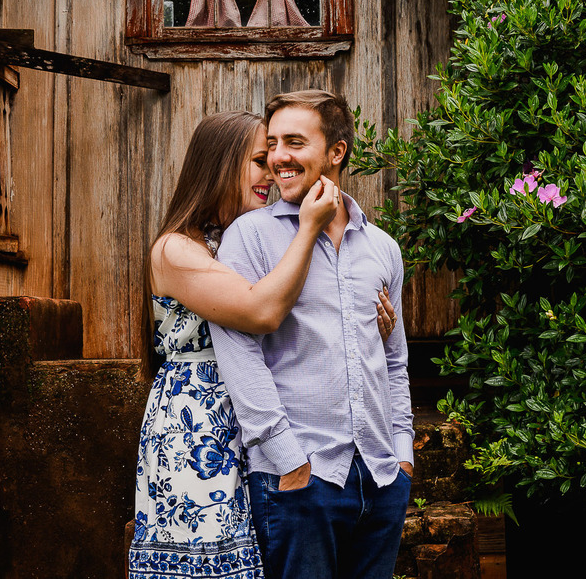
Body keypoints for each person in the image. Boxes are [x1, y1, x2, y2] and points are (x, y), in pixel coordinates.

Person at [127, 110, 398, 579]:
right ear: (220, 165)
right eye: (258, 160)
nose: (270, 174)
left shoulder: (241, 240)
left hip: (251, 418)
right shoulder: (176, 249)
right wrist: (310, 226)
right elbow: (263, 311)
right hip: (200, 422)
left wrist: (364, 326)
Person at [211, 90, 414, 579]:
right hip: (301, 478)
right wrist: (288, 460)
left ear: (336, 152)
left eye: (295, 142)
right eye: (274, 143)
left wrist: (402, 456)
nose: (278, 156)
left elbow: (394, 360)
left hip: (381, 477)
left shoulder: (382, 248)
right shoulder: (250, 236)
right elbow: (240, 357)